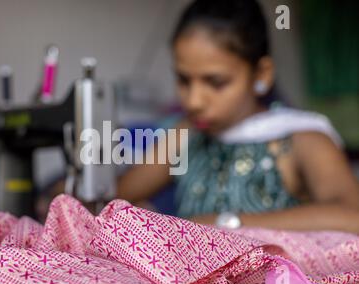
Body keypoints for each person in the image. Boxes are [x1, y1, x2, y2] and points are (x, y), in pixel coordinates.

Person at [116, 0, 359, 233]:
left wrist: (226, 223)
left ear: (262, 74)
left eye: (216, 82)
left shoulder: (302, 140)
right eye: (183, 80)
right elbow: (113, 198)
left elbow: (351, 217)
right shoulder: (186, 134)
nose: (194, 101)